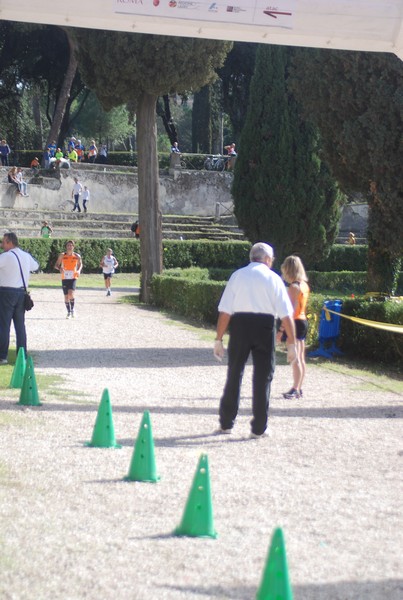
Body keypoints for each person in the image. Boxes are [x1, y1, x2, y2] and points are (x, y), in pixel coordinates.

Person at [214, 242, 297, 438]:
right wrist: (292, 344)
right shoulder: (273, 278)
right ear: (268, 259)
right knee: (263, 377)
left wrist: (218, 339)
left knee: (234, 374)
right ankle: (258, 428)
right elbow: (286, 315)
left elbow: (225, 311)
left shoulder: (238, 275)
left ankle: (226, 423)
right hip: (265, 326)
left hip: (240, 325)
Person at [0, 232, 39, 364]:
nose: (2, 245)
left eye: (4, 242)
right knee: (20, 326)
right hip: (21, 293)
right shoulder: (25, 255)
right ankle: (22, 355)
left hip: (6, 292)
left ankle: (2, 356)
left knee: (4, 325)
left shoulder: (6, 256)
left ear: (10, 242)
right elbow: (36, 266)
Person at [279, 256, 310, 399]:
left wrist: (281, 330)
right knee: (301, 357)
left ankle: (295, 388)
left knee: (295, 357)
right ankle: (299, 387)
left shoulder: (294, 287)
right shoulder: (304, 284)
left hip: (295, 322)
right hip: (303, 320)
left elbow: (289, 311)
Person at [54, 240, 82, 319]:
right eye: (68, 245)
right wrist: (60, 268)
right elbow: (56, 265)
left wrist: (79, 270)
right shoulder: (62, 255)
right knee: (66, 296)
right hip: (65, 277)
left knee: (71, 294)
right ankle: (68, 312)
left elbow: (80, 264)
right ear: (66, 247)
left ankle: (72, 310)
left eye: (71, 245)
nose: (69, 247)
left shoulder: (77, 256)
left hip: (73, 277)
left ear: (73, 247)